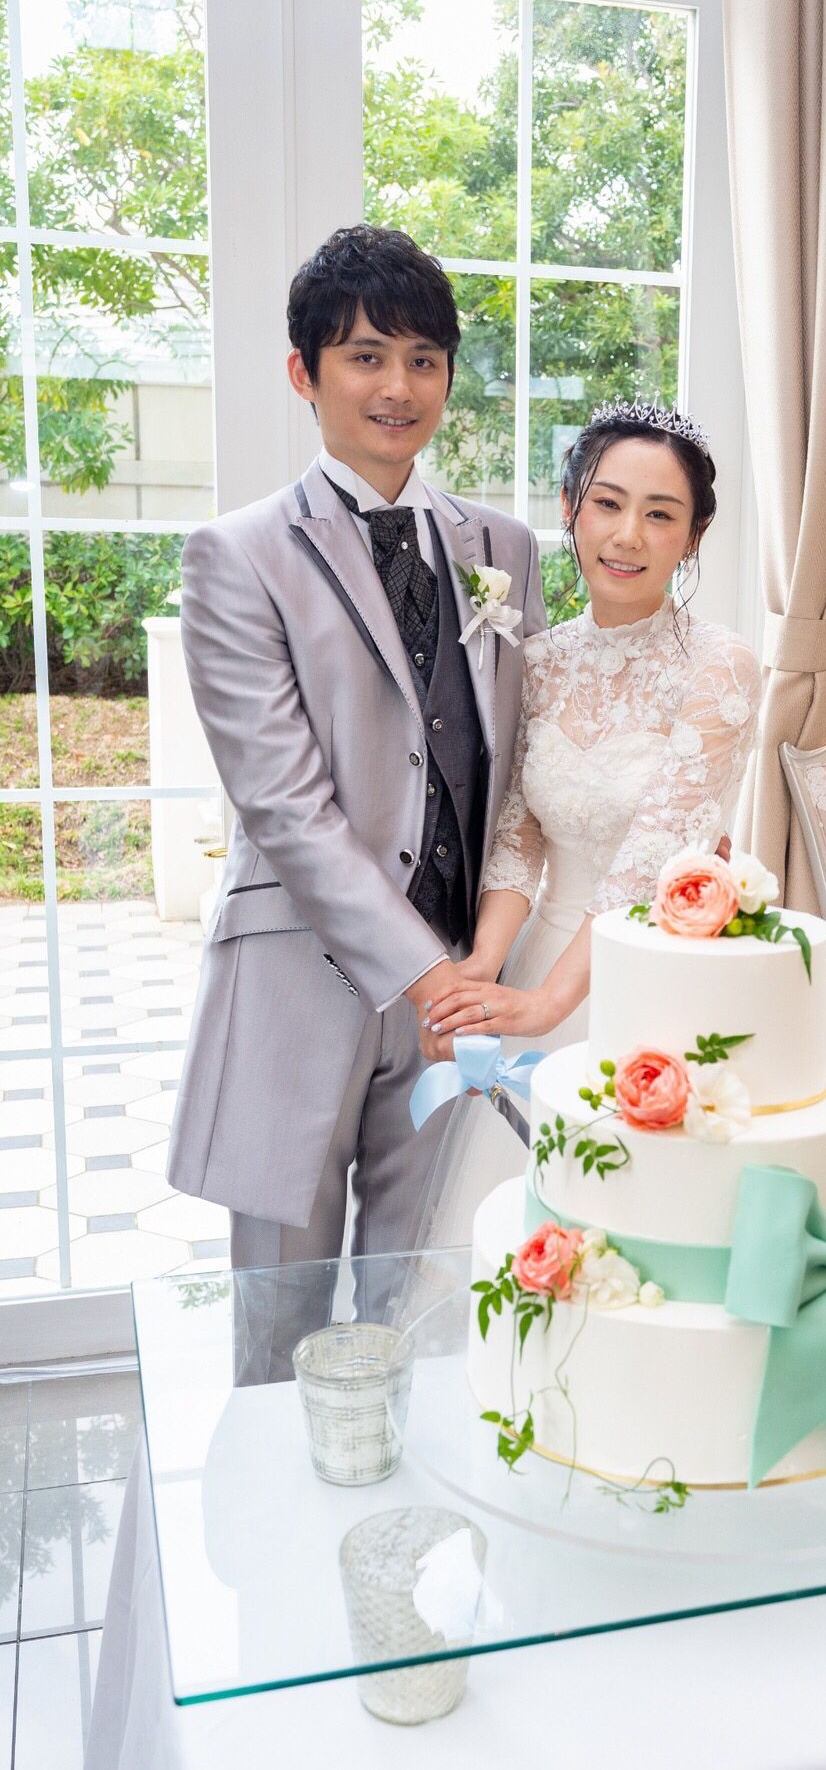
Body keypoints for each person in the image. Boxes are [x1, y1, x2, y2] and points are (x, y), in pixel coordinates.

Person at [165, 224, 547, 1295]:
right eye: (366, 356)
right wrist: (433, 976)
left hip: (460, 988)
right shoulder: (237, 556)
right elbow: (282, 806)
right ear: (306, 372)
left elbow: (518, 765)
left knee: (416, 1295)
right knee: (277, 1311)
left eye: (424, 359)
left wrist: (471, 970)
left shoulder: (504, 551)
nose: (398, 387)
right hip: (302, 976)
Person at [415, 401, 826, 1248]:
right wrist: (483, 969)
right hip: (542, 945)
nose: (628, 535)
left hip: (654, 975)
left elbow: (648, 857)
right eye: (608, 503)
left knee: (647, 1231)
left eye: (660, 515)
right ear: (570, 509)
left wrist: (544, 1004)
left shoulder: (720, 665)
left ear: (693, 537)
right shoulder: (540, 660)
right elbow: (520, 834)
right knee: (528, 1233)